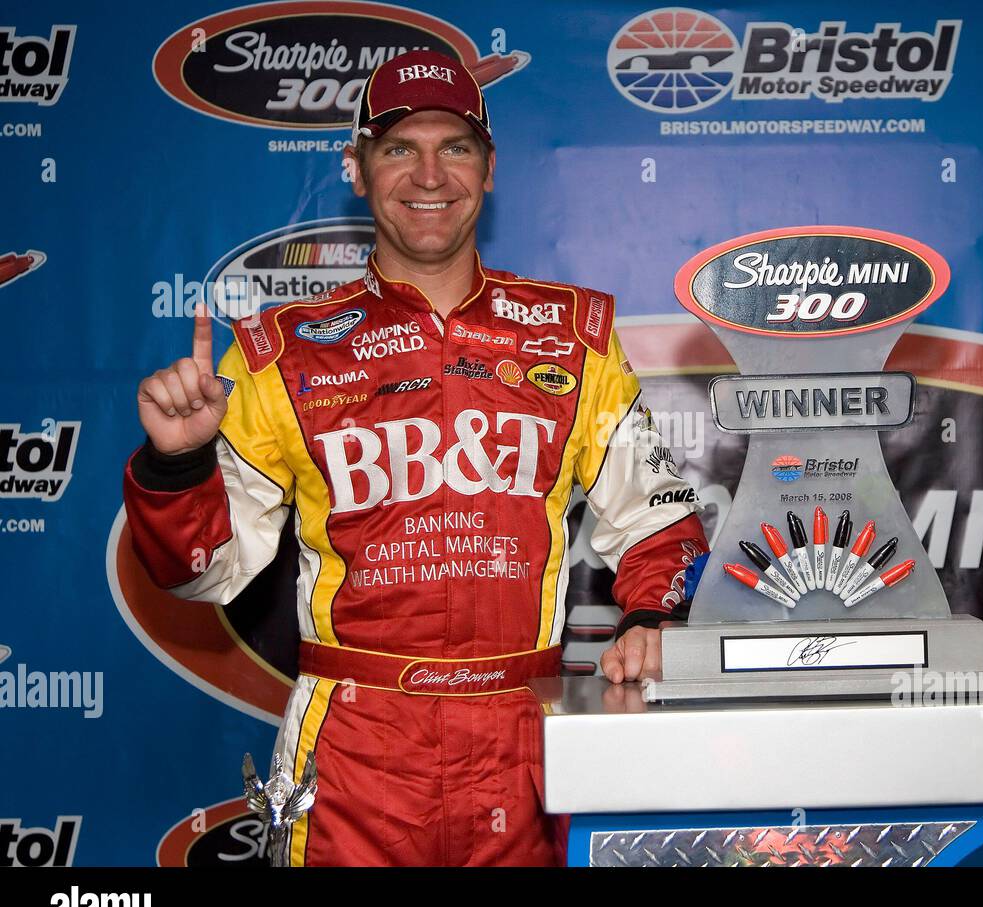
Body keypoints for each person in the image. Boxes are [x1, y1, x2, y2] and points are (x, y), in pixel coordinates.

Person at [123, 50, 709, 866]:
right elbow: (204, 573)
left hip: (523, 743)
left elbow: (656, 519)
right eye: (400, 148)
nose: (429, 175)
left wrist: (649, 617)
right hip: (354, 752)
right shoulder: (281, 354)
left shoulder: (573, 339)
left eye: (454, 147)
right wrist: (179, 467)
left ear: (489, 170)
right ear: (358, 170)